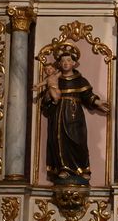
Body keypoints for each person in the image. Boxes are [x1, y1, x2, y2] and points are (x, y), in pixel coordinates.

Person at [40, 42, 110, 184]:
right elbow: (47, 100)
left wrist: (97, 103)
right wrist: (50, 97)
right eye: (62, 61)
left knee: (78, 141)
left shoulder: (80, 80)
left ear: (74, 63)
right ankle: (63, 168)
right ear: (59, 64)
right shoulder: (54, 80)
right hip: (58, 116)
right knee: (59, 140)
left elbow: (88, 95)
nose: (65, 63)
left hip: (74, 116)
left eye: (69, 60)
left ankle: (83, 169)